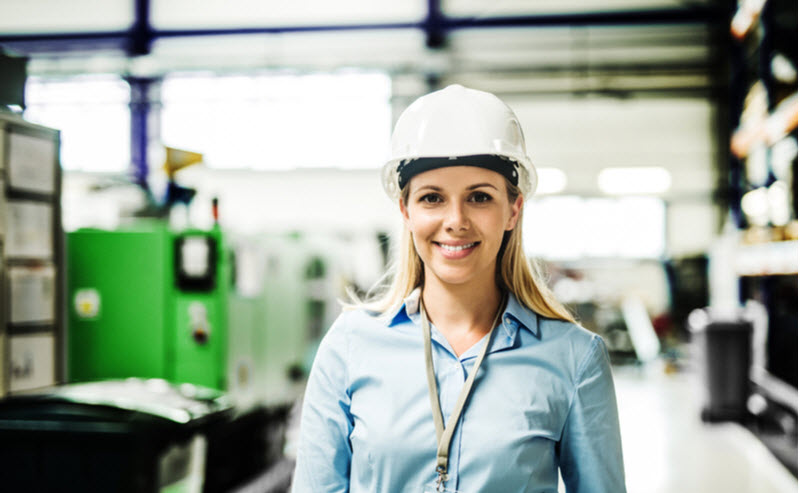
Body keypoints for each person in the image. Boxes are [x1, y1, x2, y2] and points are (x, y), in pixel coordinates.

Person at [291, 84, 625, 493]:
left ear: (513, 210)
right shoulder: (349, 347)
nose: (455, 220)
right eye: (432, 198)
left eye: (479, 197)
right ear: (405, 210)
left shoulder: (573, 358)